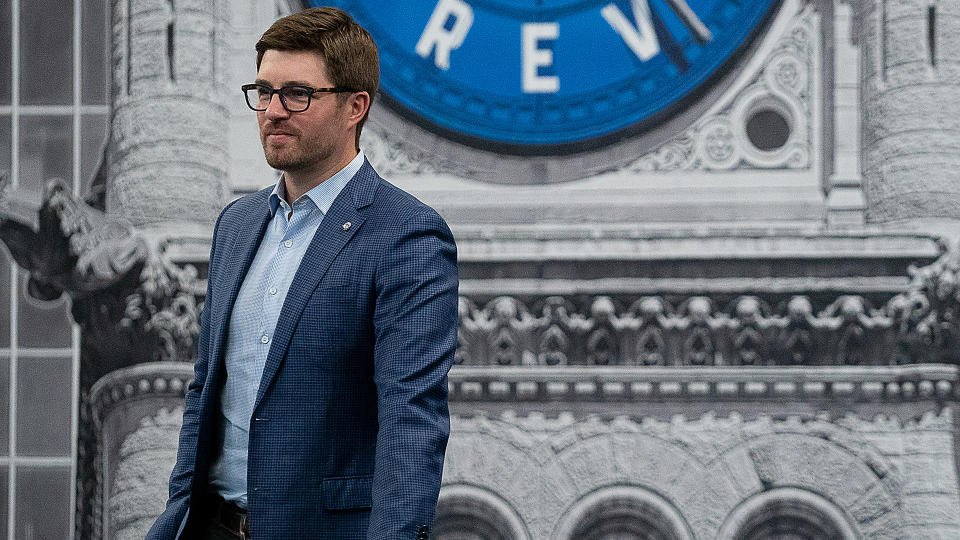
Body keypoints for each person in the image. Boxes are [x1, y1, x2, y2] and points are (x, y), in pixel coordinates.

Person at [146, 7, 459, 539]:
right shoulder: (237, 225)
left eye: (297, 94)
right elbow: (207, 391)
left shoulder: (406, 235)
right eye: (263, 91)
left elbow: (412, 424)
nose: (272, 111)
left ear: (355, 106)